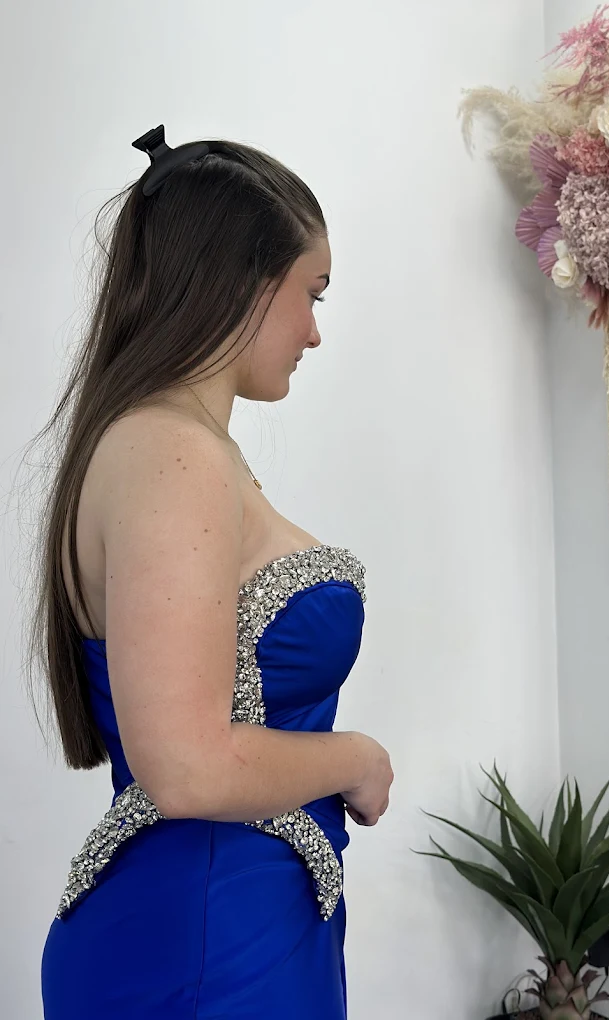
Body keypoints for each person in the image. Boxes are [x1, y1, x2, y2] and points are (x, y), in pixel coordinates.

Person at [38, 125, 394, 1019]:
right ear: (243, 281)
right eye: (311, 293)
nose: (314, 331)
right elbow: (187, 769)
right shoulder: (175, 456)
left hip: (222, 921)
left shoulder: (161, 443)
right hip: (209, 942)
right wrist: (355, 758)